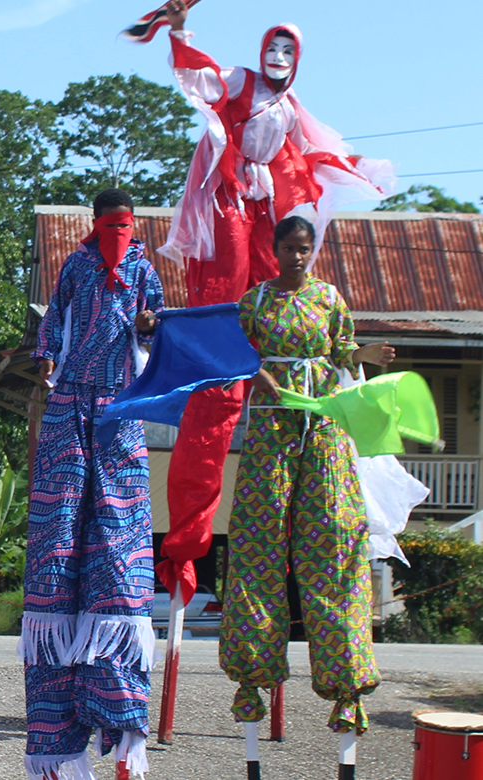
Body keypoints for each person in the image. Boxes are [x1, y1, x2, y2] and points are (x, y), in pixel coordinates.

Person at [154, 0, 395, 606]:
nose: (280, 58)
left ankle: (258, 354)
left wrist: (356, 169)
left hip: (264, 214)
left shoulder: (291, 109)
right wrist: (180, 31)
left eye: (289, 50)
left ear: (300, 59)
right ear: (262, 53)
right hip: (231, 203)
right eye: (273, 48)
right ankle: (227, 355)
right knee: (228, 304)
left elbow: (316, 155)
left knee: (273, 296)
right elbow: (203, 81)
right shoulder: (243, 83)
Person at [221, 215, 391, 737]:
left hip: (322, 422)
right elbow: (233, 353)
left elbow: (342, 352)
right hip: (273, 423)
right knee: (258, 541)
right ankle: (251, 677)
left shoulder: (329, 298)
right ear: (274, 250)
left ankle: (346, 686)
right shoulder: (256, 301)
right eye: (289, 247)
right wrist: (259, 374)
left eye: (304, 248)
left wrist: (364, 355)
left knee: (334, 539)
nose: (297, 256)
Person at [23, 189, 164, 780]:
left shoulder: (144, 270)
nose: (117, 235)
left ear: (134, 227)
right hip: (68, 405)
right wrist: (47, 356)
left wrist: (149, 326)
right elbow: (54, 318)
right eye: (109, 225)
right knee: (55, 547)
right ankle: (56, 736)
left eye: (124, 227)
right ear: (95, 224)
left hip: (120, 405)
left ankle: (119, 714)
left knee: (118, 554)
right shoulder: (77, 265)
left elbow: (157, 329)